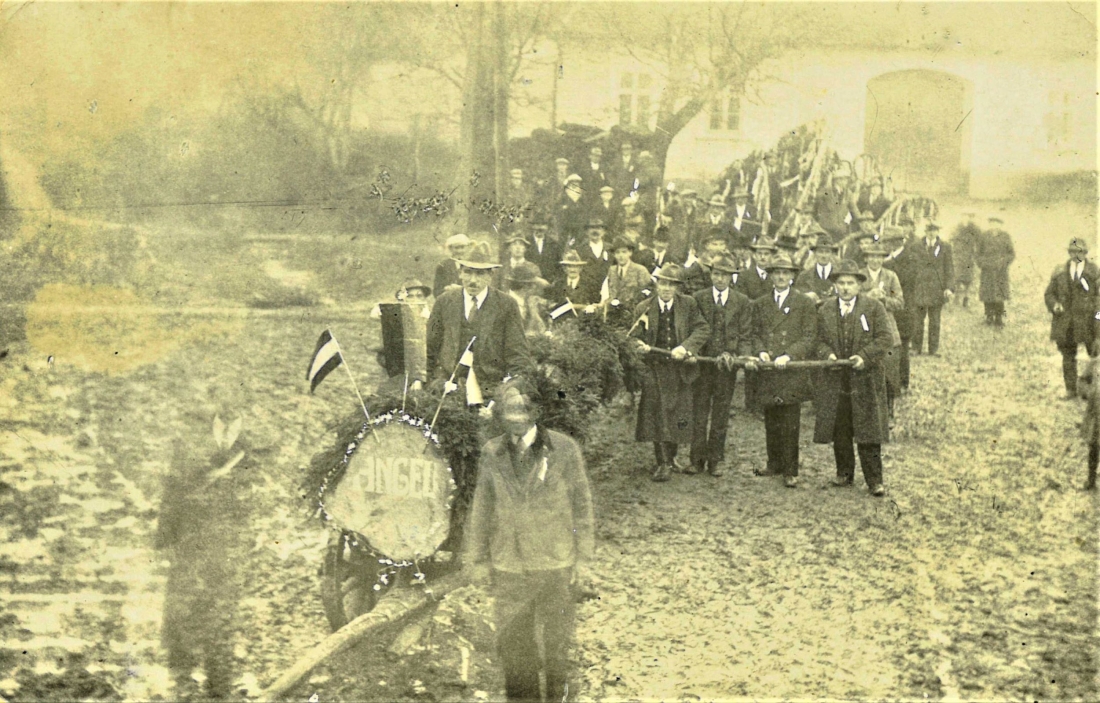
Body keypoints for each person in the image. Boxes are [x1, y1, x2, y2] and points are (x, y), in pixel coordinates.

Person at [465, 378, 595, 703]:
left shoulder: (564, 450)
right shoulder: (492, 452)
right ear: (502, 415)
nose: (516, 417)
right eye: (510, 410)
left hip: (555, 563)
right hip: (510, 566)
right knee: (515, 650)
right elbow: (482, 507)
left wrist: (583, 561)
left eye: (523, 409)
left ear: (536, 411)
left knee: (556, 651)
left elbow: (582, 507)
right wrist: (478, 559)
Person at [813, 260, 893, 496]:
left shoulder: (874, 307)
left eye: (850, 283)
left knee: (868, 429)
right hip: (836, 379)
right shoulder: (825, 309)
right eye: (841, 283)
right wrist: (826, 354)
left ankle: (874, 480)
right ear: (835, 285)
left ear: (859, 285)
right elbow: (816, 340)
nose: (846, 288)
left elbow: (885, 338)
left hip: (865, 378)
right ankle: (844, 473)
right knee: (841, 427)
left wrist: (864, 357)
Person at [426, 244, 533, 408]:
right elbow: (429, 347)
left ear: (490, 275)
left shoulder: (506, 304)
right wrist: (433, 380)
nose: (473, 280)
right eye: (468, 272)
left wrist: (509, 387)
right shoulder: (445, 301)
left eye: (480, 273)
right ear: (460, 273)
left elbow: (517, 352)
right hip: (447, 385)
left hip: (490, 389)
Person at [630, 263, 710, 482]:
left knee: (677, 413)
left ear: (678, 288)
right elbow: (632, 336)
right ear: (656, 285)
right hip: (654, 369)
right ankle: (662, 462)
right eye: (663, 283)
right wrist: (640, 345)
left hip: (680, 369)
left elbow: (702, 329)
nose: (666, 289)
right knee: (659, 414)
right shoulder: (644, 308)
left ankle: (671, 456)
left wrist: (686, 347)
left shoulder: (688, 305)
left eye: (671, 285)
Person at [746, 252, 816, 486]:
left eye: (785, 273)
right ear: (771, 276)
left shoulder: (804, 303)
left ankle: (790, 469)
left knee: (790, 419)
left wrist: (790, 354)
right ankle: (774, 463)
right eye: (776, 273)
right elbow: (754, 333)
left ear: (792, 277)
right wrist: (761, 351)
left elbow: (809, 336)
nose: (781, 277)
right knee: (771, 417)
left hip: (791, 368)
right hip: (769, 368)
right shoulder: (761, 303)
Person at [690, 254, 753, 476]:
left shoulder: (742, 301)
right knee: (699, 412)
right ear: (711, 274)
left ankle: (715, 459)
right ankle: (696, 459)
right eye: (716, 274)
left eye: (725, 275)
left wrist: (738, 356)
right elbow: (693, 330)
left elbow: (745, 334)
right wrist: (694, 354)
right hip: (703, 365)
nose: (720, 279)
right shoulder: (698, 298)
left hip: (727, 367)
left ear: (731, 277)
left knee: (721, 413)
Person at [1044, 237, 1100, 398]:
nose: (1076, 255)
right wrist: (1054, 305)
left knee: (1095, 354)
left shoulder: (1094, 272)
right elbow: (1049, 293)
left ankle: (1095, 391)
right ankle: (1071, 389)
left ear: (1086, 253)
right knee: (1068, 356)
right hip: (1066, 322)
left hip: (1090, 322)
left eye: (1079, 252)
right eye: (1073, 251)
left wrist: (1098, 321)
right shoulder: (1060, 272)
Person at [860, 244, 905, 418]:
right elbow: (850, 297)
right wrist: (868, 296)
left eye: (878, 257)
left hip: (886, 325)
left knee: (889, 369)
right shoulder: (859, 275)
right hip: (864, 326)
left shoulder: (890, 276)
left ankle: (888, 409)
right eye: (871, 256)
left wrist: (884, 299)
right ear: (866, 258)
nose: (875, 260)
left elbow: (900, 302)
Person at [908, 220, 955, 356]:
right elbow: (911, 269)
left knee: (935, 321)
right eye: (929, 229)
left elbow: (949, 269)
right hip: (920, 288)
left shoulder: (945, 247)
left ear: (937, 231)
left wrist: (949, 288)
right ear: (925, 231)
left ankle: (933, 349)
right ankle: (916, 347)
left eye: (934, 230)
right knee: (918, 320)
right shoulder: (916, 246)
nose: (931, 232)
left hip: (937, 289)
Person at [883, 225, 915, 392]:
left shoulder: (909, 258)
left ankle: (902, 383)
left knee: (901, 347)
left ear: (897, 242)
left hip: (903, 311)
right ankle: (892, 383)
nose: (885, 246)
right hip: (892, 309)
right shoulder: (889, 259)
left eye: (888, 242)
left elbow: (904, 281)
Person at [976, 215, 1015, 328]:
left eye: (997, 223)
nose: (994, 225)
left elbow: (1011, 254)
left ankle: (999, 318)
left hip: (1000, 272)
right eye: (992, 222)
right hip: (987, 270)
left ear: (1000, 224)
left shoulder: (1005, 237)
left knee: (1000, 295)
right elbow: (978, 254)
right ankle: (988, 316)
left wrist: (1003, 262)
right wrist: (982, 263)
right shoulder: (984, 236)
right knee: (987, 294)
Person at [603, 236, 652, 319]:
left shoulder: (640, 270)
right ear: (614, 255)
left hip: (633, 315)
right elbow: (609, 293)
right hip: (613, 315)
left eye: (624, 252)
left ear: (630, 253)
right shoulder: (612, 270)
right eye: (617, 252)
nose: (621, 256)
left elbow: (647, 297)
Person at [546, 249, 601, 316]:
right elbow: (552, 305)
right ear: (564, 269)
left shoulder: (590, 284)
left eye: (576, 266)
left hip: (584, 320)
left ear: (580, 268)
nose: (573, 270)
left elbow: (596, 305)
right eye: (569, 266)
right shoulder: (558, 284)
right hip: (562, 321)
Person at [507, 262, 550, 339]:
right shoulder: (504, 304)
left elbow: (542, 328)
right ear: (525, 286)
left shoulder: (529, 303)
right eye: (533, 284)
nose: (535, 287)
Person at [814, 164, 857, 241]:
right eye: (843, 179)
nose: (846, 182)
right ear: (837, 180)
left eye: (846, 179)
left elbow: (854, 211)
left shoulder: (848, 194)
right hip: (825, 230)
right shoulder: (826, 191)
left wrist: (863, 221)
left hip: (840, 231)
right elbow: (816, 205)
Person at [795, 234, 840, 307]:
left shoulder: (839, 275)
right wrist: (806, 296)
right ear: (815, 253)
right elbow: (797, 298)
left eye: (827, 252)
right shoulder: (804, 276)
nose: (823, 255)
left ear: (832, 253)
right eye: (820, 251)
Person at [950, 211, 983, 308]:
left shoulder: (974, 229)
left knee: (968, 278)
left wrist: (976, 253)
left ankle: (966, 297)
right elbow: (951, 238)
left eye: (967, 216)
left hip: (969, 256)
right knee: (957, 277)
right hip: (958, 255)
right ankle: (956, 297)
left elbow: (980, 242)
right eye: (963, 216)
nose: (965, 218)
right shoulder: (957, 227)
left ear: (970, 217)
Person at [525, 212, 562, 285]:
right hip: (529, 284)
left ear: (547, 227)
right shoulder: (526, 242)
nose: (540, 228)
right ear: (533, 226)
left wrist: (554, 282)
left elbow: (559, 266)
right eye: (537, 225)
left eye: (543, 225)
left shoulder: (554, 244)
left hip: (548, 285)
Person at [433, 233, 471, 297]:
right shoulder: (443, 265)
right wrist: (447, 288)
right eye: (456, 248)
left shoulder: (470, 264)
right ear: (450, 248)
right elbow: (436, 291)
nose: (459, 251)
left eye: (462, 247)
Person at [740, 236, 776, 301]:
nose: (762, 257)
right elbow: (741, 300)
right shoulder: (744, 276)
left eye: (766, 254)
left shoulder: (775, 275)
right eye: (759, 253)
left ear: (772, 256)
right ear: (754, 255)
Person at [556, 175, 587, 247]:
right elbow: (557, 207)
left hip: (578, 223)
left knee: (576, 240)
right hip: (565, 222)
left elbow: (585, 208)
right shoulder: (564, 195)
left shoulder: (582, 195)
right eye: (572, 183)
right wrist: (563, 208)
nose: (575, 185)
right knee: (564, 240)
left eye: (577, 184)